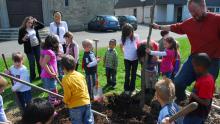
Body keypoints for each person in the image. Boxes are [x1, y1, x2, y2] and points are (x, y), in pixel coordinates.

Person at [152, 0, 220, 104]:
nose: (193, 15)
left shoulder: (216, 20)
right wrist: (159, 27)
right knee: (178, 83)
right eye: (190, 12)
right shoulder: (190, 23)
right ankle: (182, 101)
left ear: (203, 6)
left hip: (211, 62)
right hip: (194, 59)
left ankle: (200, 115)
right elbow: (174, 27)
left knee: (203, 93)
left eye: (194, 11)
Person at [61, 55, 94, 124]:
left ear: (63, 68)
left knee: (77, 122)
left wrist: (64, 101)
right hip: (86, 102)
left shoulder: (65, 79)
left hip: (75, 106)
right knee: (88, 121)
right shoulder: (80, 75)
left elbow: (68, 94)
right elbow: (85, 88)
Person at [183, 53, 215, 124]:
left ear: (200, 67)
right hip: (194, 111)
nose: (193, 68)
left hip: (197, 114)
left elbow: (206, 102)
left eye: (194, 66)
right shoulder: (204, 77)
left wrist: (194, 95)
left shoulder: (206, 81)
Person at [18, 16, 44, 82]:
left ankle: (41, 74)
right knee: (32, 62)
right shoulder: (22, 30)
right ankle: (32, 76)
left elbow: (42, 26)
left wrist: (36, 21)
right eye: (28, 23)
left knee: (39, 61)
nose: (30, 24)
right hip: (29, 48)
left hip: (37, 46)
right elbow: (19, 42)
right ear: (25, 22)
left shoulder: (34, 27)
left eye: (31, 23)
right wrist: (23, 39)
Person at [40, 34, 61, 106]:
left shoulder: (44, 51)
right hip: (49, 76)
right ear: (53, 43)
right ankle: (51, 108)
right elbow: (43, 64)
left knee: (51, 91)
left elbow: (40, 62)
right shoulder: (49, 52)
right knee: (54, 92)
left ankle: (53, 102)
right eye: (56, 42)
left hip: (45, 75)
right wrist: (51, 73)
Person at [120, 23, 140, 96]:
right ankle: (126, 89)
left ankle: (132, 88)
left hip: (135, 59)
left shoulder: (136, 36)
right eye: (127, 33)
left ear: (132, 31)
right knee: (127, 74)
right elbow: (121, 45)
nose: (128, 35)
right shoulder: (123, 38)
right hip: (127, 59)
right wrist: (123, 51)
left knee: (133, 74)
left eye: (129, 33)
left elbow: (138, 45)